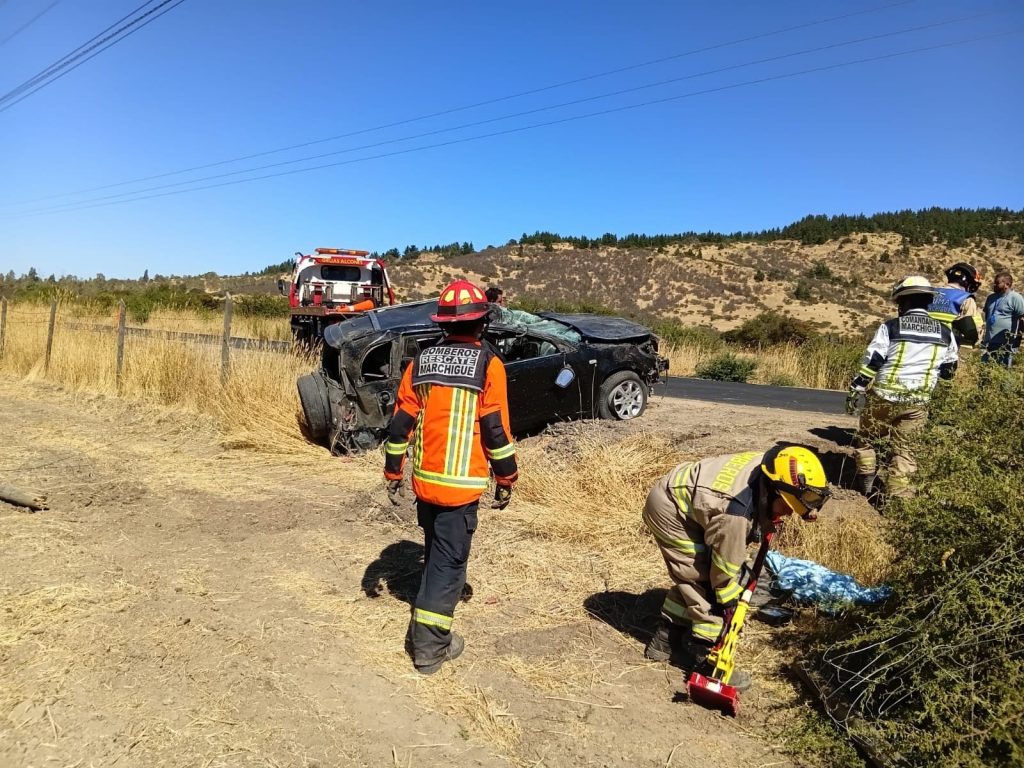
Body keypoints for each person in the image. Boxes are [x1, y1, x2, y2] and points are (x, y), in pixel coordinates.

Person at [383, 279, 519, 675]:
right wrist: (507, 478)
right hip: (460, 488)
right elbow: (495, 430)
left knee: (436, 552)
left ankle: (432, 626)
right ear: (482, 324)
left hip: (424, 483)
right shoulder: (488, 365)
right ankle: (430, 648)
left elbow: (400, 425)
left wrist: (394, 471)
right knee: (448, 565)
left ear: (443, 324)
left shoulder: (420, 363)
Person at [642, 445, 831, 691]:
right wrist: (730, 606)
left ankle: (666, 640)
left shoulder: (771, 467)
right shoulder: (736, 515)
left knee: (700, 576)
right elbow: (721, 575)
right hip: (670, 510)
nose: (789, 513)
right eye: (786, 506)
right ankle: (707, 661)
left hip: (692, 498)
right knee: (703, 583)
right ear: (773, 490)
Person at [847, 276, 958, 500]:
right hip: (917, 402)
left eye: (899, 303)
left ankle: (866, 481)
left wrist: (856, 386)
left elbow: (874, 360)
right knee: (905, 452)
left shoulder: (891, 327)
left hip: (884, 396)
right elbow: (949, 369)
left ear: (903, 303)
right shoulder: (946, 333)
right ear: (928, 302)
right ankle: (897, 501)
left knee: (867, 438)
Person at [927, 262, 983, 347]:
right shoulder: (966, 299)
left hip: (924, 344)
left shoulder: (929, 293)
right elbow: (971, 333)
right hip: (947, 347)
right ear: (967, 281)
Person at [981, 270, 1024, 368]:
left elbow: (1022, 319)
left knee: (1003, 370)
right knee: (985, 369)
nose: (994, 285)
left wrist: (1017, 339)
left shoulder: (1016, 298)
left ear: (1007, 284)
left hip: (1006, 343)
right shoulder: (990, 298)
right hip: (989, 341)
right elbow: (988, 315)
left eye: (997, 283)